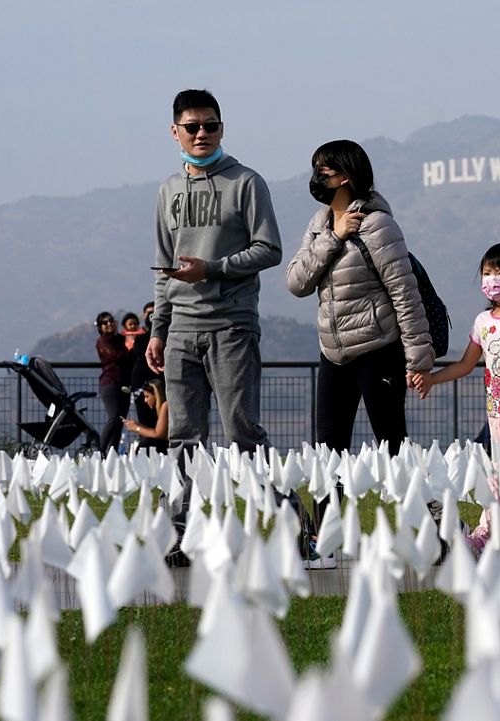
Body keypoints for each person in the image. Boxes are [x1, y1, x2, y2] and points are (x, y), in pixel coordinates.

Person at [145, 89, 283, 561]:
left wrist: (214, 268)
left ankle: (289, 524)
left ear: (222, 128)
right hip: (181, 328)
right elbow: (162, 267)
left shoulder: (246, 182)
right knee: (183, 437)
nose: (202, 134)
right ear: (175, 132)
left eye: (211, 125)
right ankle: (182, 536)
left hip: (231, 325)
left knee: (242, 432)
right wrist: (158, 329)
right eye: (192, 126)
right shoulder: (167, 191)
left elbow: (270, 249)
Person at [285, 139, 435, 567]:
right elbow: (296, 282)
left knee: (392, 445)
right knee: (327, 451)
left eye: (323, 172)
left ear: (346, 176)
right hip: (333, 354)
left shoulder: (378, 225)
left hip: (378, 350)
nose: (316, 179)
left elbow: (405, 293)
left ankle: (428, 533)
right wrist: (333, 237)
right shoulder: (319, 223)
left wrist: (418, 358)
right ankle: (327, 542)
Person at [412, 243, 500, 555]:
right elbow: (466, 364)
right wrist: (432, 378)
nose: (491, 279)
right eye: (487, 273)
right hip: (496, 411)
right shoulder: (483, 322)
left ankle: (484, 536)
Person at [94, 311, 131, 455]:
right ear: (100, 327)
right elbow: (114, 356)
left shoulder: (120, 339)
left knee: (120, 420)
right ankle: (101, 450)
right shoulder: (102, 341)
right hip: (110, 383)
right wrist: (128, 349)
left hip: (124, 384)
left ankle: (112, 451)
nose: (109, 324)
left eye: (111, 321)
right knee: (114, 417)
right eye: (105, 322)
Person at [131, 301, 162, 429]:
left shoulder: (166, 338)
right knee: (145, 418)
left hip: (159, 383)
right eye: (149, 313)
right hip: (142, 382)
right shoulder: (140, 339)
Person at [124, 379, 169, 452]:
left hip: (169, 446)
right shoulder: (161, 408)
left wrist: (137, 428)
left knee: (146, 443)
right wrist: (138, 426)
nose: (145, 400)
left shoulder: (165, 405)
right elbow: (156, 432)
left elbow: (159, 434)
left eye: (147, 396)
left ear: (156, 395)